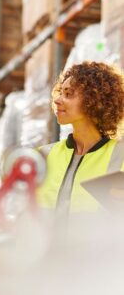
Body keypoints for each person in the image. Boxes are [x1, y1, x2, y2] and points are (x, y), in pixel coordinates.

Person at [37, 61, 124, 220]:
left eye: (68, 94)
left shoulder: (121, 156)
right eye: (60, 92)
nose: (57, 100)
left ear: (94, 100)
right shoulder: (42, 156)